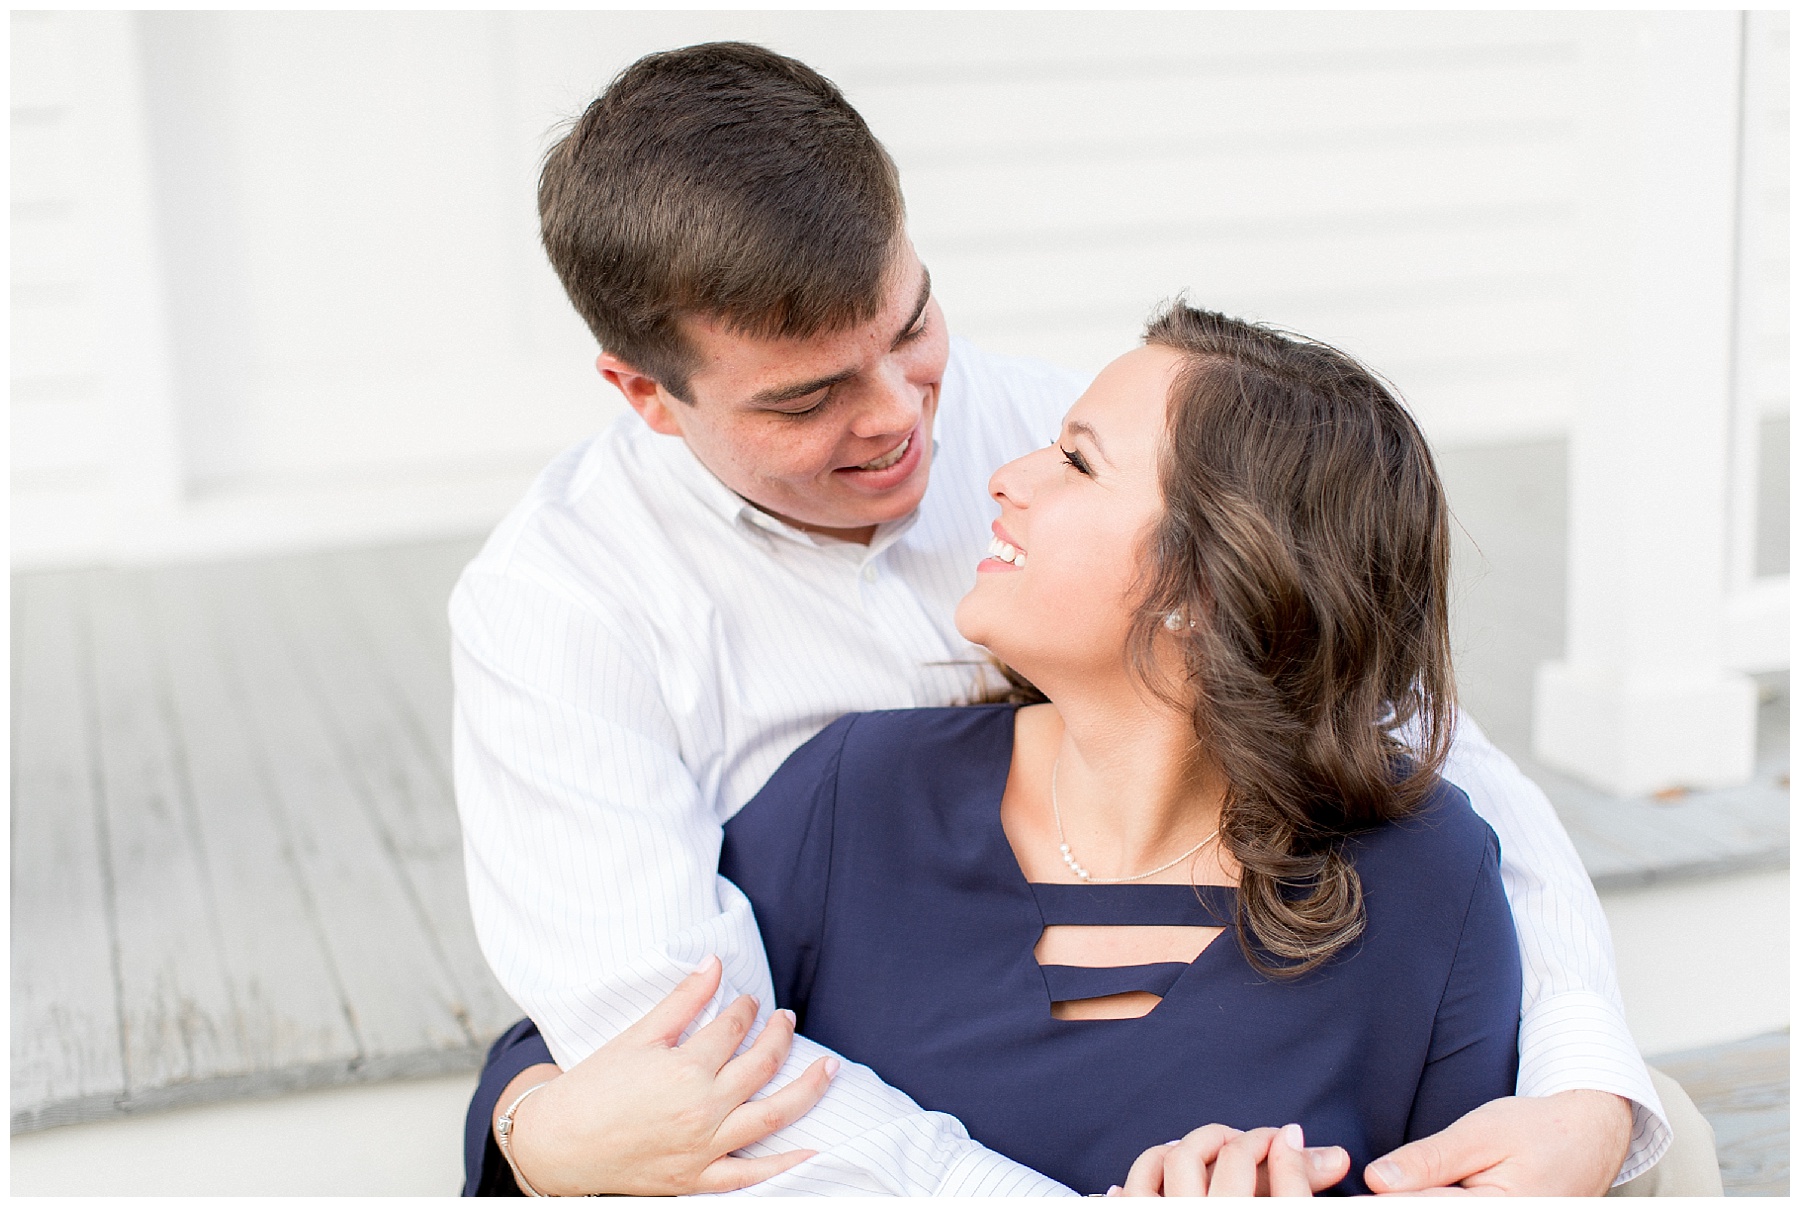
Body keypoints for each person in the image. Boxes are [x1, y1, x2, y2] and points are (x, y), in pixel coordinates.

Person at [452, 41, 1675, 1198]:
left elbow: (1427, 763)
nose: (903, 423)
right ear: (645, 395)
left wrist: (1590, 1087)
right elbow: (685, 1075)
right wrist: (530, 1116)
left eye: (914, 325)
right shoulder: (565, 614)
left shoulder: (1068, 434)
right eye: (812, 396)